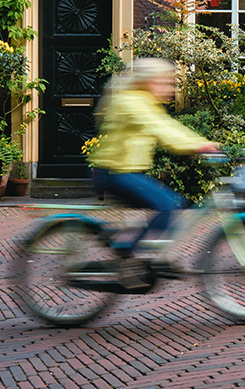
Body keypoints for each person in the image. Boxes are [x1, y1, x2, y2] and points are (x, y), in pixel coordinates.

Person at [89, 58, 220, 267]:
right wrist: (199, 147)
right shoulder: (132, 102)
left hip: (125, 172)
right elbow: (162, 130)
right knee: (168, 204)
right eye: (163, 82)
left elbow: (169, 126)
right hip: (115, 173)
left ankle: (151, 252)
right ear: (147, 81)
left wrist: (202, 143)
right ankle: (130, 256)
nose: (169, 88)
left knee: (173, 203)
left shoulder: (145, 102)